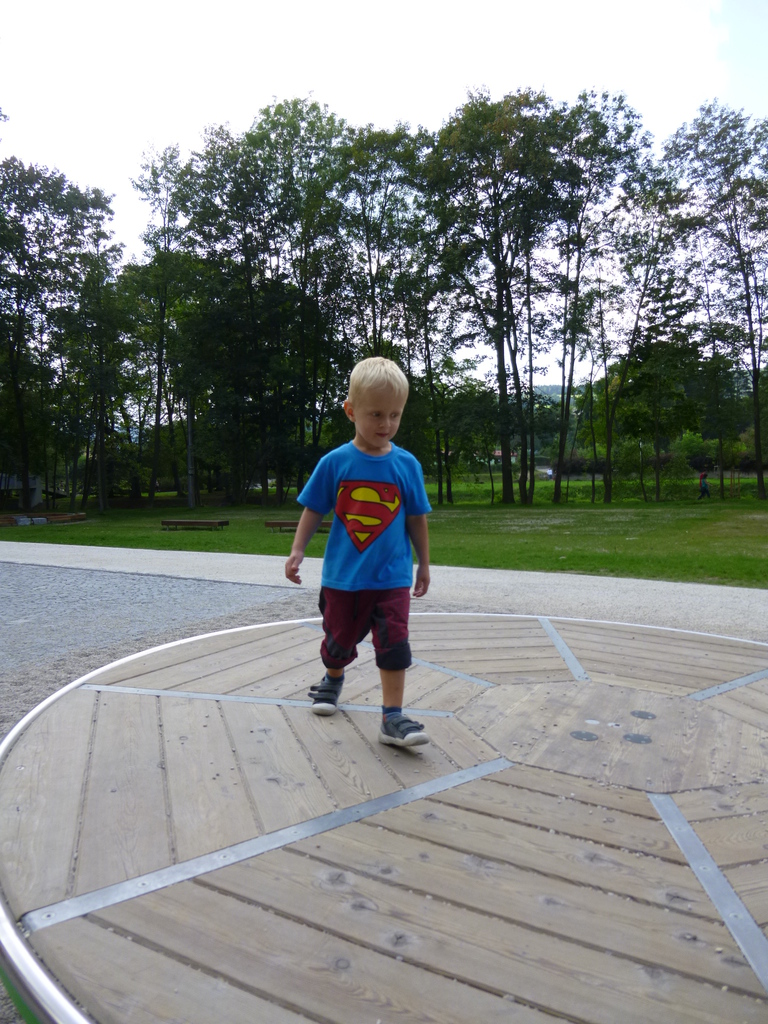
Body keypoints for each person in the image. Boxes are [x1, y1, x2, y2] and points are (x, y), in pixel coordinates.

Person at [285, 356, 432, 748]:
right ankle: (333, 677)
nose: (386, 424)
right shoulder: (335, 463)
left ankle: (392, 717)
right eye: (376, 414)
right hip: (344, 578)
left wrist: (423, 564)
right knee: (339, 641)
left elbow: (416, 518)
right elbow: (313, 509)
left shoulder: (407, 465)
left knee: (395, 643)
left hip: (392, 577)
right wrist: (298, 549)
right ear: (351, 411)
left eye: (395, 415)